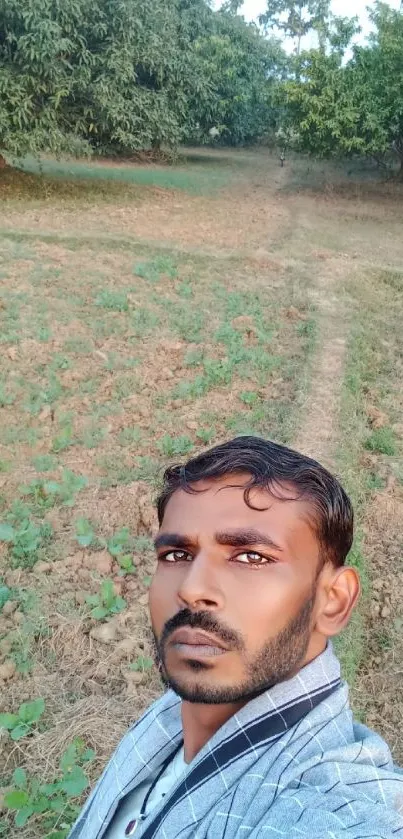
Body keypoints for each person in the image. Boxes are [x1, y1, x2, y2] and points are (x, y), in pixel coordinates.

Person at [68, 436, 403, 839]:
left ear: (333, 601)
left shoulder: (340, 806)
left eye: (251, 557)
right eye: (177, 555)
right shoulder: (173, 715)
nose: (192, 589)